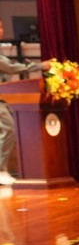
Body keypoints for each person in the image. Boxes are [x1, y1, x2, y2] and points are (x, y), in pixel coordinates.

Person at [0, 18, 47, 186]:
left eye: (1, 26)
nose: (1, 30)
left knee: (8, 129)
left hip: (3, 98)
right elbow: (11, 68)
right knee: (9, 128)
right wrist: (40, 66)